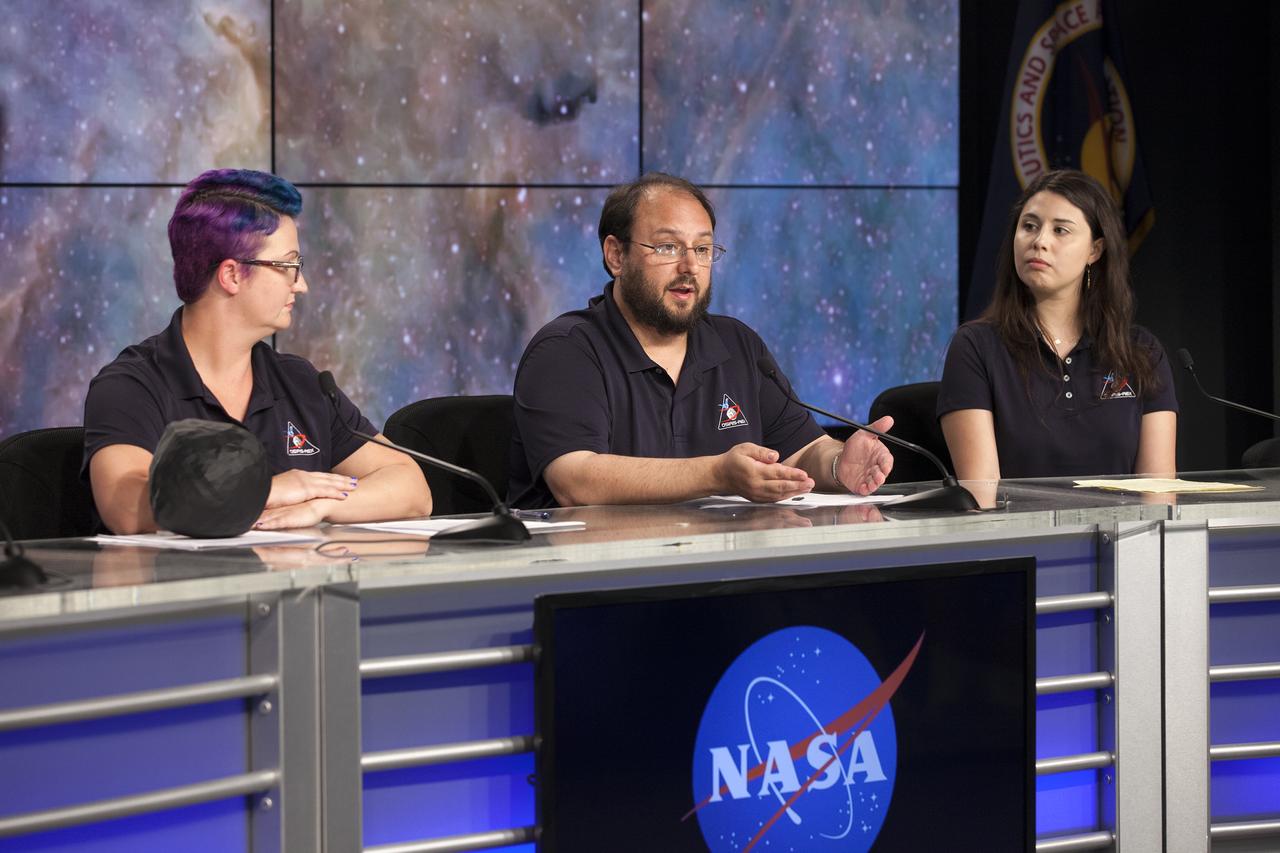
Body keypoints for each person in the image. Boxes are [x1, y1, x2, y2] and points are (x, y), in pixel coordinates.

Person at [507, 172, 894, 509]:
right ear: (616, 255)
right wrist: (717, 473)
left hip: (716, 575)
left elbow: (801, 449)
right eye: (668, 247)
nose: (689, 266)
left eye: (703, 249)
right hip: (588, 582)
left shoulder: (736, 344)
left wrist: (836, 464)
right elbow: (577, 481)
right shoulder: (566, 351)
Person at [83, 169, 431, 534]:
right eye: (289, 266)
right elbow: (127, 509)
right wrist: (270, 491)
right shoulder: (131, 385)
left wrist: (321, 506)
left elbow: (412, 489)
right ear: (232, 275)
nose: (302, 285)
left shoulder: (302, 383)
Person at [937, 169, 1177, 481]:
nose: (1039, 241)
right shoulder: (975, 348)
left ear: (1095, 250)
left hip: (1123, 531)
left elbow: (1158, 494)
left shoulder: (1142, 352)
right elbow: (983, 499)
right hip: (1017, 531)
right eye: (1029, 226)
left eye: (1060, 230)